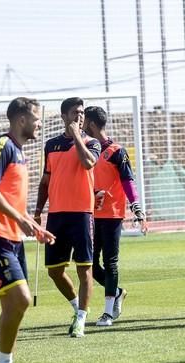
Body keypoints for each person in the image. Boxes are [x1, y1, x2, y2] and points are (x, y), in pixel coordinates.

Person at [0, 97, 54, 363]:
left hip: (11, 235)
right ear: (21, 120)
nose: (39, 123)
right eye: (36, 117)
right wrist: (19, 220)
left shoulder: (20, 153)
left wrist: (31, 225)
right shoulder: (2, 146)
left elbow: (11, 198)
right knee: (20, 299)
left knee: (14, 305)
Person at [34, 97, 101, 338]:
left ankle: (82, 319)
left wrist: (76, 136)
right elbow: (45, 180)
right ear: (64, 116)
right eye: (75, 112)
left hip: (82, 213)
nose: (80, 116)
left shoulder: (91, 142)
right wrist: (38, 210)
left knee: (85, 269)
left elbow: (87, 164)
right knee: (54, 270)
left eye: (82, 113)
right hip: (56, 215)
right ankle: (76, 307)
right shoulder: (51, 145)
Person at [82, 105, 147, 327]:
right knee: (88, 263)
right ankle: (117, 292)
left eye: (84, 121)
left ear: (90, 123)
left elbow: (128, 180)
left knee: (110, 262)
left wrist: (136, 207)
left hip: (111, 215)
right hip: (89, 214)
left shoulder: (115, 151)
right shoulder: (86, 149)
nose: (80, 124)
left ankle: (108, 312)